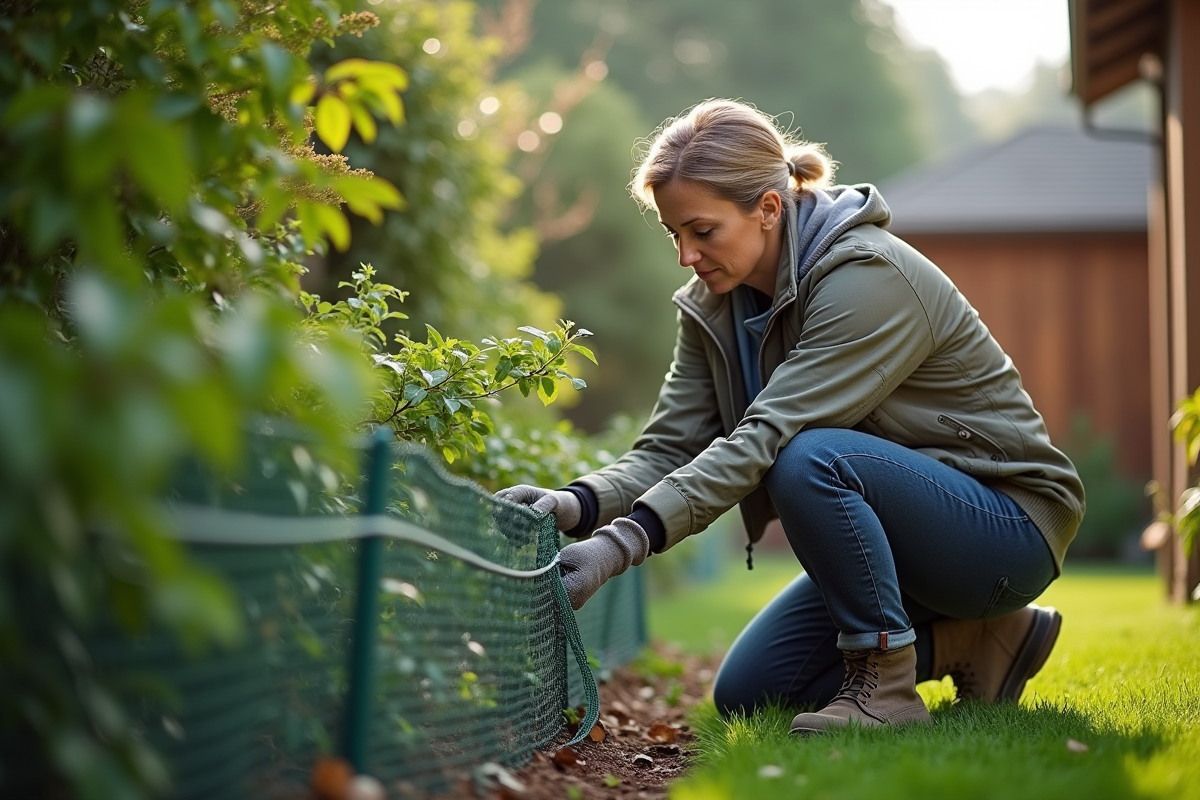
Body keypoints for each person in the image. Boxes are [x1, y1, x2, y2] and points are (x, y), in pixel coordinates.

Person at [497, 99, 1084, 735]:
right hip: (904, 539)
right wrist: (576, 504)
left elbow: (769, 434)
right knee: (752, 692)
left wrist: (620, 546)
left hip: (1003, 529)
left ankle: (886, 686)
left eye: (703, 230)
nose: (686, 256)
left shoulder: (867, 277)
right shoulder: (711, 305)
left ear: (769, 208)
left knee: (806, 456)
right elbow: (670, 446)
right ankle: (978, 643)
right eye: (675, 235)